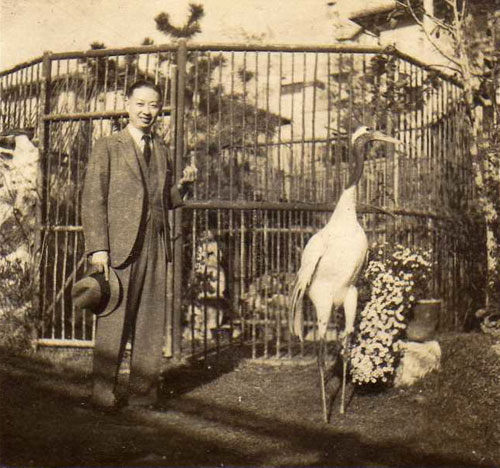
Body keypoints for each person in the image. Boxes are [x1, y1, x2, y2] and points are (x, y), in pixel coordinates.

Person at [81, 79, 197, 409]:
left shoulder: (161, 150)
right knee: (113, 318)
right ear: (127, 105)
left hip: (154, 244)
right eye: (141, 104)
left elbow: (166, 200)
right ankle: (103, 392)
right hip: (118, 247)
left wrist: (183, 187)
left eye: (154, 105)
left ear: (160, 110)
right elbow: (92, 198)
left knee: (150, 321)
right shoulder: (108, 146)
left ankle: (143, 394)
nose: (147, 111)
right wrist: (98, 248)